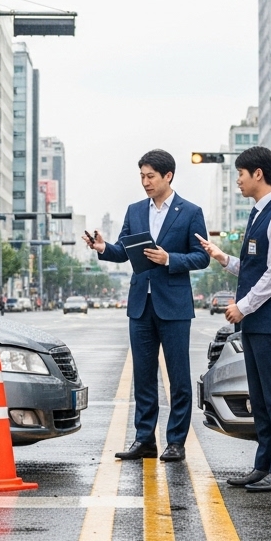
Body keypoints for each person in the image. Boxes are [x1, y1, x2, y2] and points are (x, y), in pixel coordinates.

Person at [85, 149, 209, 462]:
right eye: (141, 176)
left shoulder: (190, 211)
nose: (145, 182)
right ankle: (144, 440)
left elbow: (202, 256)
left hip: (174, 305)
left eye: (150, 176)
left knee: (179, 377)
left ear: (168, 176)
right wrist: (103, 248)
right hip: (140, 304)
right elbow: (123, 250)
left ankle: (176, 441)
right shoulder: (135, 210)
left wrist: (171, 259)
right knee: (143, 376)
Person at [197, 146, 271, 492]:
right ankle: (264, 465)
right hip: (257, 323)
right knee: (260, 397)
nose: (238, 179)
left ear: (258, 174)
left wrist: (244, 306)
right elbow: (254, 268)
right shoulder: (258, 214)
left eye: (241, 173)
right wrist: (221, 257)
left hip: (270, 321)